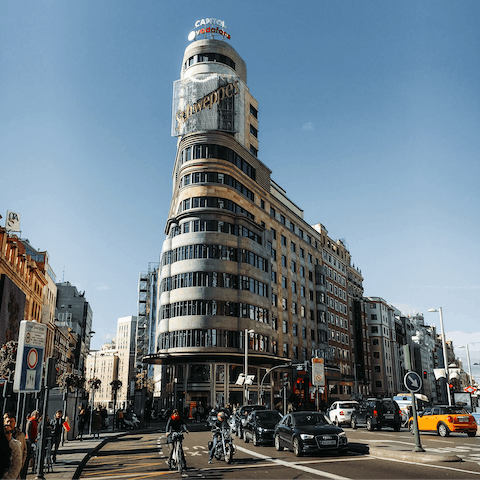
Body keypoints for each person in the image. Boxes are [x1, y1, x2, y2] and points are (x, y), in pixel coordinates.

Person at [4, 414, 27, 480]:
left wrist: (20, 465)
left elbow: (24, 451)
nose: (9, 423)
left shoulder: (20, 435)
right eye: (8, 421)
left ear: (15, 423)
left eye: (11, 422)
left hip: (16, 470)